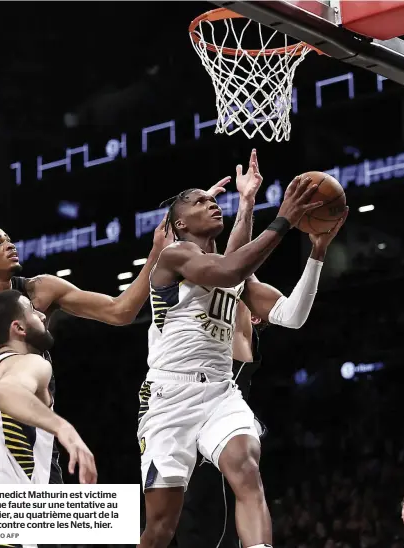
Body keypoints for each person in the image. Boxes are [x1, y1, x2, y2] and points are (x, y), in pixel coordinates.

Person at [0, 174, 232, 486]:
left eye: (9, 239)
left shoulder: (40, 291)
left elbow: (120, 312)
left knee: (42, 530)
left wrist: (156, 252)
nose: (10, 245)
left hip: (31, 433)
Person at [139, 171, 347, 548]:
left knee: (247, 469)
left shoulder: (235, 277)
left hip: (221, 392)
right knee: (160, 527)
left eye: (213, 199)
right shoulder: (175, 257)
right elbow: (228, 267)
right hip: (170, 397)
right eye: (199, 201)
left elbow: (292, 316)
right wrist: (282, 218)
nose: (212, 203)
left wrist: (317, 251)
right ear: (180, 222)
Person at [0, 289, 97, 547]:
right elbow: (5, 392)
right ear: (18, 328)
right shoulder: (32, 362)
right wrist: (65, 430)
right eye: (32, 311)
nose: (41, 314)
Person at [174, 301, 267, 548]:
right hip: (185, 482)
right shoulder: (182, 362)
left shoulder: (235, 356)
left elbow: (237, 284)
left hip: (218, 476)